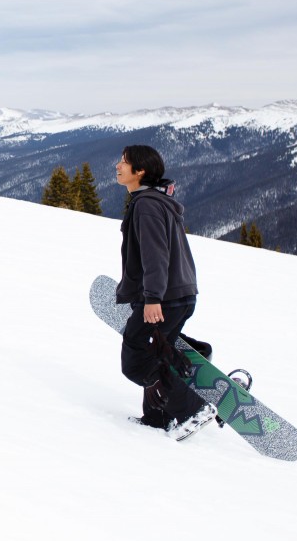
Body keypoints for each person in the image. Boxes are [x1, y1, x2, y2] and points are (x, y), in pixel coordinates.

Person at [114, 144, 216, 441]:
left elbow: (155, 255)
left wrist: (152, 298)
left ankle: (193, 408)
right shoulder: (157, 201)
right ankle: (157, 417)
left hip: (166, 297)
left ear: (140, 170)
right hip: (181, 293)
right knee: (158, 348)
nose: (117, 166)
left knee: (135, 356)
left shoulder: (146, 205)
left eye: (124, 162)